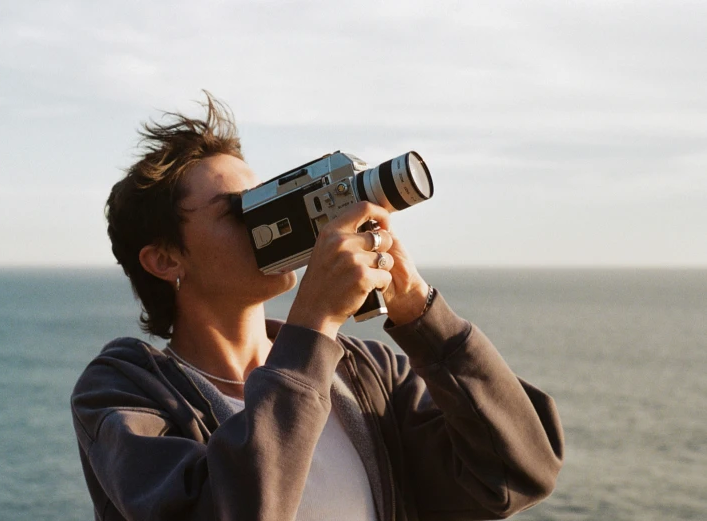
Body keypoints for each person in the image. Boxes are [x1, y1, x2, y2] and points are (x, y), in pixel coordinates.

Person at [71, 93, 564, 521]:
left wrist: (420, 313)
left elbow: (520, 473)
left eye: (265, 199)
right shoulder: (125, 392)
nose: (262, 218)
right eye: (237, 210)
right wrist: (312, 324)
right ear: (164, 259)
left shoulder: (366, 376)